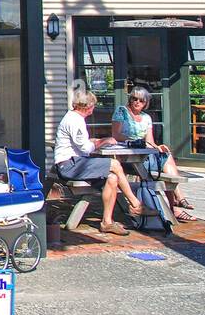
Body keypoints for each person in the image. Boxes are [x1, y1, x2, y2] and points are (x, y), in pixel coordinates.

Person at [54, 87, 143, 235]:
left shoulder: (73, 118)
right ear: (87, 106)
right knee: (115, 164)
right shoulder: (75, 120)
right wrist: (103, 141)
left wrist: (95, 141)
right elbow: (86, 148)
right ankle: (135, 204)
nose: (94, 108)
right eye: (93, 105)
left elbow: (81, 144)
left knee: (112, 178)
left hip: (74, 163)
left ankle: (107, 222)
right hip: (70, 165)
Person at [112, 86, 194, 222]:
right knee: (163, 164)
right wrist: (134, 141)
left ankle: (175, 202)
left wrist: (158, 147)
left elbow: (149, 141)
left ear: (146, 103)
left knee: (166, 156)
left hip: (144, 157)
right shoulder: (122, 111)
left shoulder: (146, 117)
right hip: (127, 157)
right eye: (134, 99)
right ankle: (177, 201)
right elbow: (116, 135)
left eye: (141, 100)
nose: (137, 102)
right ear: (130, 99)